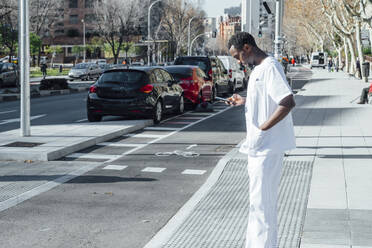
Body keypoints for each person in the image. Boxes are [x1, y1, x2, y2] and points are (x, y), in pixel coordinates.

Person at [227, 32, 296, 248]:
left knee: (262, 208)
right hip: (258, 148)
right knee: (257, 206)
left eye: (238, 56)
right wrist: (245, 100)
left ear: (247, 48)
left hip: (266, 148)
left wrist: (262, 129)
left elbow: (287, 101)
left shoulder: (270, 67)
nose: (239, 61)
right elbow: (267, 98)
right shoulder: (259, 70)